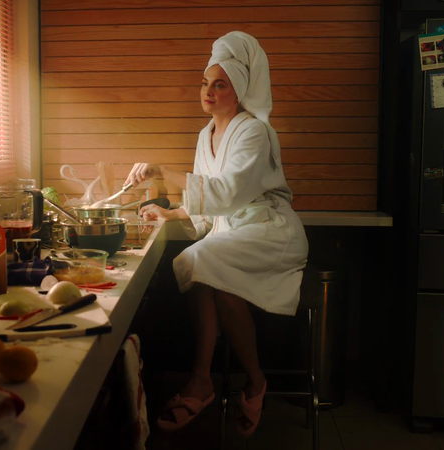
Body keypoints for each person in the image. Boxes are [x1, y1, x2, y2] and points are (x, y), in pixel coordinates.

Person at [125, 31, 309, 436]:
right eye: (205, 83)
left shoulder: (254, 132)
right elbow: (210, 210)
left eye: (220, 84)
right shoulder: (204, 135)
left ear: (239, 89)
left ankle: (224, 381)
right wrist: (171, 213)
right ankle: (218, 381)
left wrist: (162, 171)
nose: (208, 92)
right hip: (232, 234)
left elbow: (225, 193)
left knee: (203, 260)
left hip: (269, 231)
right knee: (210, 271)